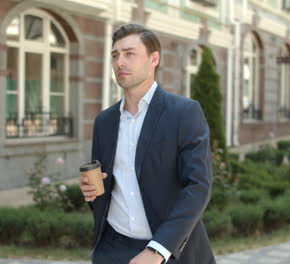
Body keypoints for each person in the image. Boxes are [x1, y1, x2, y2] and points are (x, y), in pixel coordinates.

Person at [79, 24, 215, 264]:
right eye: (115, 55)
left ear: (154, 59)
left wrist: (158, 250)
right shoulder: (104, 121)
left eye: (129, 53)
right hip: (112, 249)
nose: (119, 62)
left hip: (167, 251)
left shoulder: (184, 113)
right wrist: (93, 191)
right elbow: (107, 185)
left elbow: (198, 187)